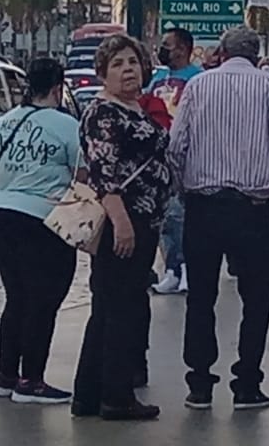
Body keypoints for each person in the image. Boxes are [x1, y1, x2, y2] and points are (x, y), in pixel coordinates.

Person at [169, 24, 269, 412]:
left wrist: (184, 190)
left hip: (203, 206)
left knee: (201, 296)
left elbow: (177, 146)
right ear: (255, 51)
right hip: (250, 209)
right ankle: (247, 382)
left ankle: (199, 382)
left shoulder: (198, 87)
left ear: (222, 53)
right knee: (256, 297)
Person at [73, 35, 172, 421]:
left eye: (132, 61)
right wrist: (122, 223)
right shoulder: (104, 114)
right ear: (103, 74)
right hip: (124, 221)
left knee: (112, 307)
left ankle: (90, 393)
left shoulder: (132, 109)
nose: (128, 69)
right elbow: (105, 175)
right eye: (117, 64)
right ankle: (115, 394)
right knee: (120, 309)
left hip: (145, 219)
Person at [0, 56, 82, 404]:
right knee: (44, 300)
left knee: (17, 297)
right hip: (42, 219)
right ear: (58, 88)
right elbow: (81, 174)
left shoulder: (3, 123)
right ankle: (32, 381)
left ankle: (5, 375)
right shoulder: (67, 124)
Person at [147, 28, 200, 296]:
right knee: (166, 218)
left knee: (181, 216)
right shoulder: (158, 79)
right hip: (158, 157)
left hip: (186, 156)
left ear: (182, 48)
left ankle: (188, 267)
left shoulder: (198, 79)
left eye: (167, 45)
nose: (162, 49)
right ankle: (172, 269)